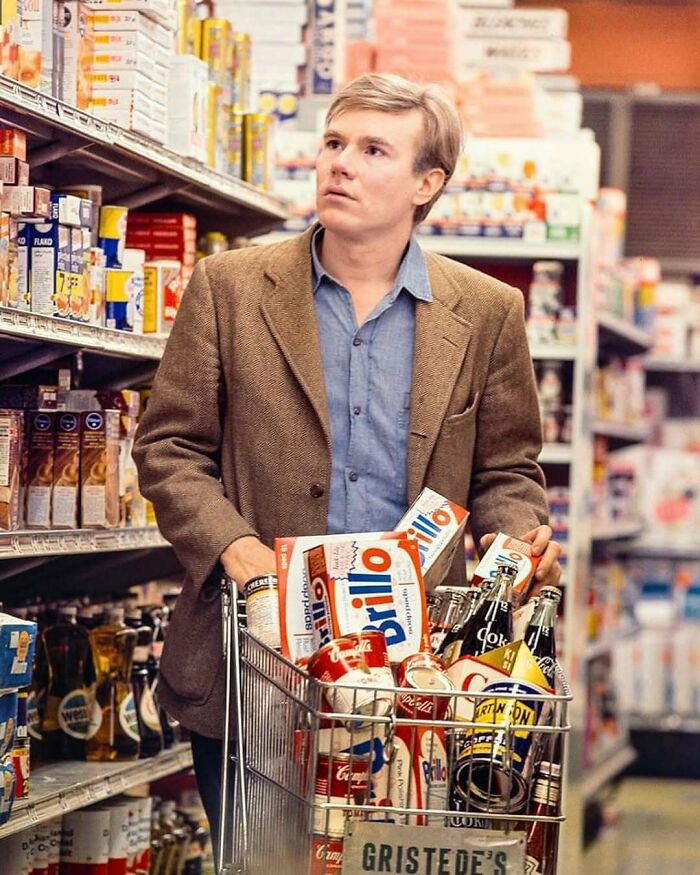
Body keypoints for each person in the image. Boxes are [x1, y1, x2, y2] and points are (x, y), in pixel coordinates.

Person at [132, 72, 561, 847]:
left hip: (417, 675)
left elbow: (507, 470)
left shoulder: (489, 311)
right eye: (334, 142)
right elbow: (169, 446)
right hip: (255, 660)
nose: (341, 163)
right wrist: (239, 551)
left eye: (372, 149)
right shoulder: (230, 288)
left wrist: (515, 539)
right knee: (262, 859)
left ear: (427, 182)